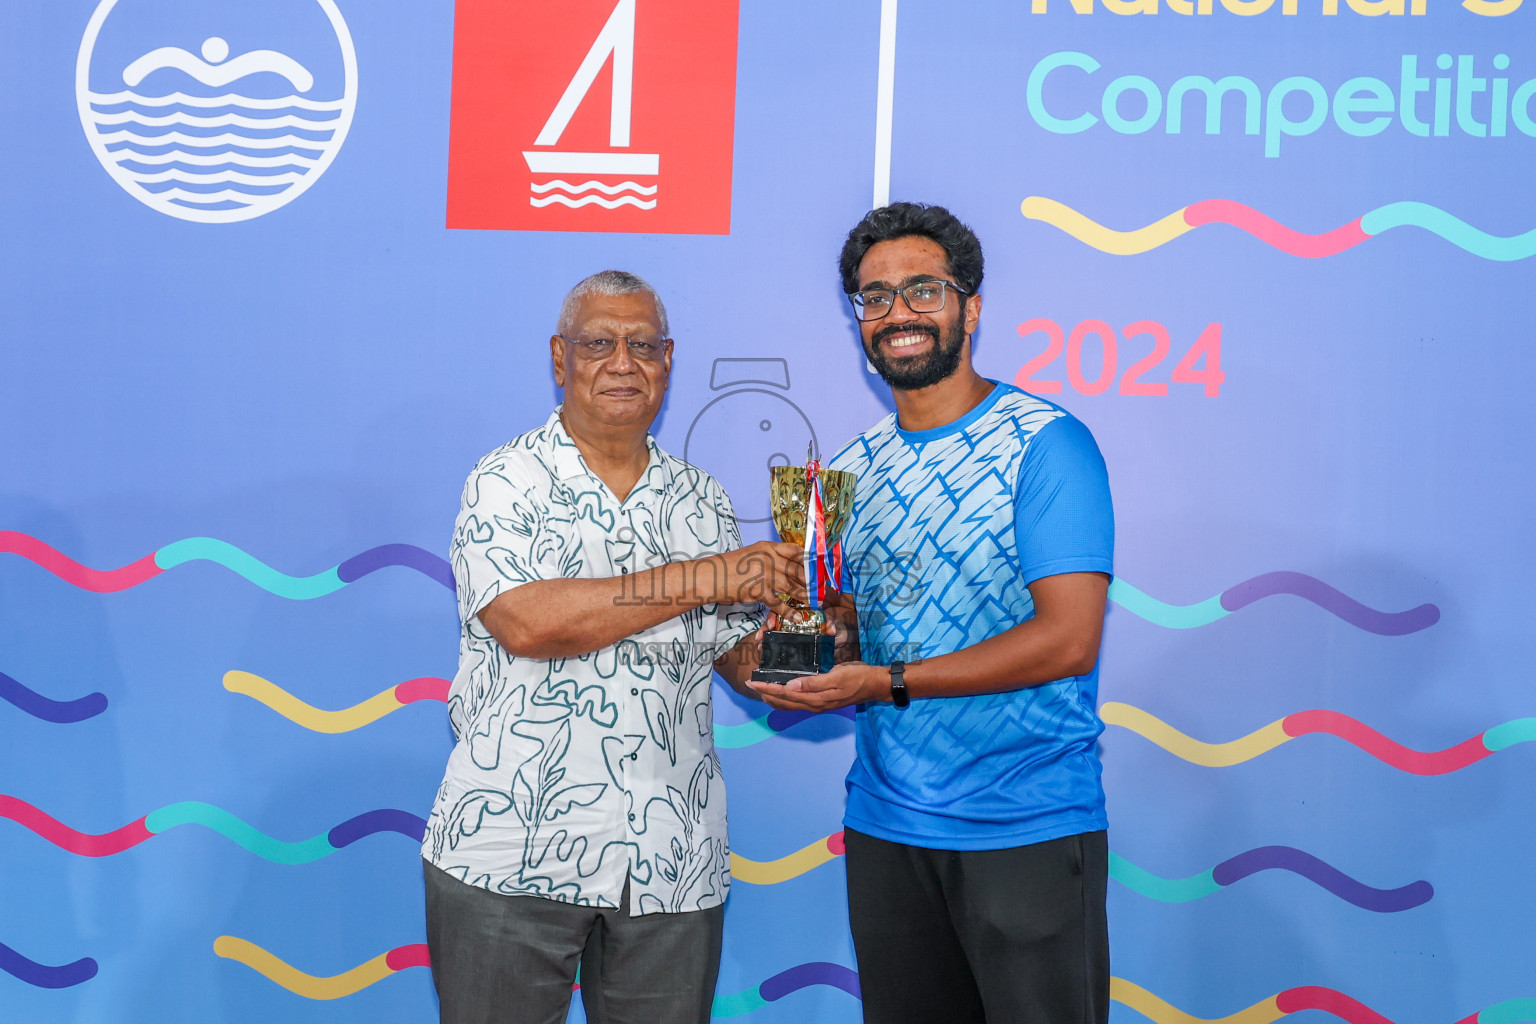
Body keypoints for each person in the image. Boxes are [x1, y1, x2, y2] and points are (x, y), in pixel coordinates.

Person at [751, 203, 1115, 1024]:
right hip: (887, 831)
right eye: (874, 298)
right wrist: (803, 655)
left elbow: (1068, 638)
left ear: (969, 307)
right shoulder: (841, 475)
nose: (898, 314)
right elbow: (838, 632)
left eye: (922, 289)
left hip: (1025, 826)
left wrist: (884, 681)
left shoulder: (1046, 444)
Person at [421, 269, 805, 1024]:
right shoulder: (506, 480)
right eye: (599, 343)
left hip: (671, 864)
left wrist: (813, 621)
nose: (623, 362)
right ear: (560, 358)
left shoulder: (703, 501)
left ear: (669, 361)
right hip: (512, 855)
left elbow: (741, 664)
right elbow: (528, 624)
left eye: (643, 345)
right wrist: (710, 574)